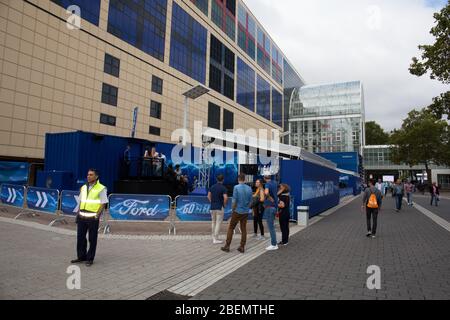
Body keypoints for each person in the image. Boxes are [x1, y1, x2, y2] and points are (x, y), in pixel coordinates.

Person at [71, 169, 108, 267]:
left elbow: (103, 202)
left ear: (96, 177)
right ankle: (81, 256)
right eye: (88, 174)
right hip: (82, 217)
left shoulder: (101, 188)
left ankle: (90, 258)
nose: (88, 176)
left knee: (92, 239)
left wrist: (97, 215)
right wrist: (78, 214)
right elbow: (80, 201)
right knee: (80, 238)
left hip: (92, 218)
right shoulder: (83, 187)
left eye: (91, 175)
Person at [221, 174, 252, 254]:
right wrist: (247, 208)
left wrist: (233, 209)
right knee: (243, 228)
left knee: (231, 227)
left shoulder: (236, 187)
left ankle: (227, 246)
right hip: (245, 211)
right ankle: (242, 246)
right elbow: (250, 201)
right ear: (244, 179)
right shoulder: (249, 188)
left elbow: (234, 200)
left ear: (238, 179)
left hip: (237, 211)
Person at [208, 175, 228, 244]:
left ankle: (213, 237)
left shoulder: (212, 187)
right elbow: (225, 197)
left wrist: (211, 202)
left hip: (212, 207)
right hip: (219, 207)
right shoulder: (223, 188)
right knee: (218, 223)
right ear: (223, 180)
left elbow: (208, 195)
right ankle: (215, 238)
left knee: (213, 222)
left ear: (216, 179)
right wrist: (224, 204)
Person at [263, 175, 279, 251]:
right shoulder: (275, 183)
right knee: (272, 226)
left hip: (269, 207)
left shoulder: (267, 184)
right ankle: (274, 242)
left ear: (264, 178)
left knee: (271, 227)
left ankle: (274, 244)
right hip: (274, 207)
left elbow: (266, 192)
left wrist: (270, 198)